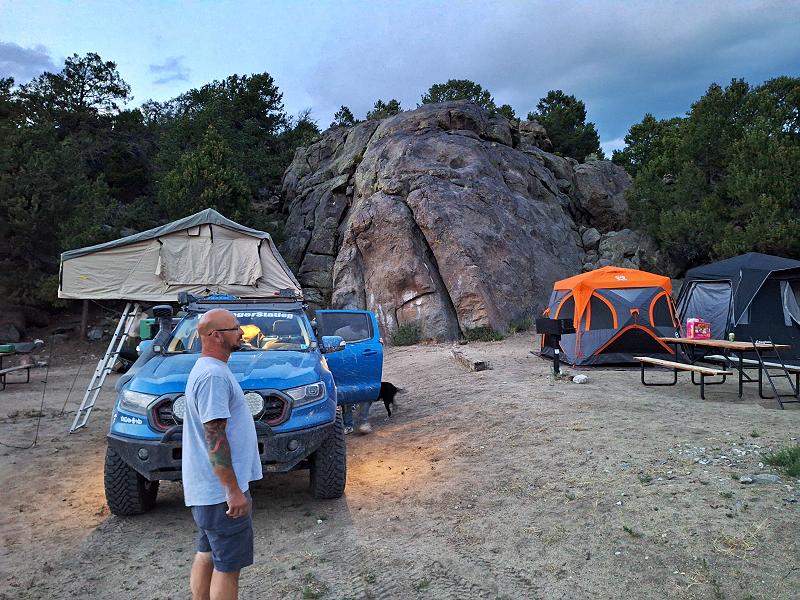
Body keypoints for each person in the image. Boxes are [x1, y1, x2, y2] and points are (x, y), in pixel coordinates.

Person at [182, 309, 262, 600]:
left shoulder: (209, 369)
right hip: (220, 495)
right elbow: (215, 436)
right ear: (215, 335)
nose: (243, 332)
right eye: (236, 328)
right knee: (228, 567)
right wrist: (232, 490)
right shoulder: (213, 376)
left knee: (208, 553)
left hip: (208, 493)